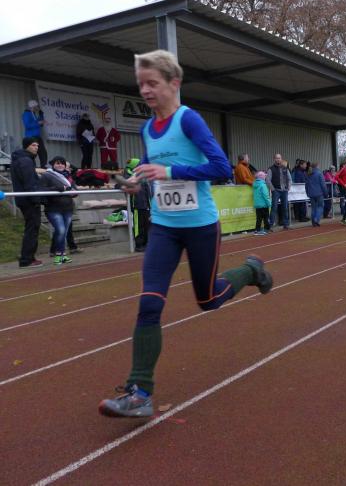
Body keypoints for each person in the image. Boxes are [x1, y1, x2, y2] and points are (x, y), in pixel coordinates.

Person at [98, 49, 273, 418]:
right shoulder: (147, 128)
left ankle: (251, 271)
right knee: (149, 303)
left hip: (200, 227)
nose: (145, 91)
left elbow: (221, 167)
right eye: (141, 84)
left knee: (208, 300)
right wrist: (134, 181)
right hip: (164, 227)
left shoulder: (188, 120)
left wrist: (171, 172)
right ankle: (140, 392)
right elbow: (151, 169)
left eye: (152, 83)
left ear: (173, 83)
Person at [11, 138, 43, 267]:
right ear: (27, 146)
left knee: (31, 228)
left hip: (25, 199)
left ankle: (28, 257)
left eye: (37, 145)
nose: (36, 148)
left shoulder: (21, 159)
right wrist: (36, 199)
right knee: (32, 229)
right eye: (33, 145)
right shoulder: (25, 160)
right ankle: (27, 259)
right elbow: (29, 182)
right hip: (29, 200)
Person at [39, 156, 78, 265]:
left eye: (62, 163)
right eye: (57, 163)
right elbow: (41, 190)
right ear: (53, 165)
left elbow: (75, 189)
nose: (60, 165)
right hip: (53, 208)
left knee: (63, 232)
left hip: (68, 208)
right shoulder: (47, 175)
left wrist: (74, 192)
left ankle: (62, 254)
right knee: (60, 230)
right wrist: (58, 189)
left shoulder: (68, 176)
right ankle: (58, 254)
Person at [123, 158, 151, 251]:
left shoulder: (143, 177)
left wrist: (150, 205)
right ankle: (139, 245)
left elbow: (148, 192)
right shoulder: (128, 176)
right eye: (138, 165)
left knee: (147, 226)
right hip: (136, 206)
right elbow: (120, 185)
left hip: (146, 206)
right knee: (138, 227)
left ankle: (147, 243)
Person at [21, 100, 48, 167]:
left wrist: (41, 115)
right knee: (32, 153)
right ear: (33, 106)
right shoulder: (26, 114)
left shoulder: (33, 113)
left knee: (42, 153)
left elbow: (38, 123)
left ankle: (43, 166)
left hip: (37, 136)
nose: (37, 108)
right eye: (36, 106)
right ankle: (31, 166)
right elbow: (27, 126)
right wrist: (38, 123)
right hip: (31, 137)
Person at [269, 153, 291, 230]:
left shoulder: (285, 168)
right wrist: (273, 189)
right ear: (274, 159)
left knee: (285, 208)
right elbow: (268, 180)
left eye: (279, 158)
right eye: (276, 158)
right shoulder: (271, 169)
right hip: (276, 191)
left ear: (281, 159)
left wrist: (289, 187)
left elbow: (289, 179)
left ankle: (286, 224)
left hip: (284, 191)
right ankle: (270, 225)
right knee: (274, 208)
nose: (278, 159)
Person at [306, 162, 327, 227]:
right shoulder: (319, 173)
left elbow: (306, 185)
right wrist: (325, 193)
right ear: (317, 166)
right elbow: (323, 185)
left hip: (311, 194)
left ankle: (313, 221)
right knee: (320, 206)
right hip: (319, 193)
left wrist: (307, 193)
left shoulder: (308, 174)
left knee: (313, 208)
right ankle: (316, 219)